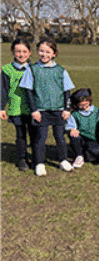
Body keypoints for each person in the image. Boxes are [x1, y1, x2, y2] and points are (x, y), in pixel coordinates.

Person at [19, 38, 75, 176]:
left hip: (58, 110)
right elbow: (28, 91)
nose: (44, 54)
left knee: (60, 137)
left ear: (54, 53)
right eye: (41, 51)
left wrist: (67, 109)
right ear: (37, 51)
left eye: (48, 52)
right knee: (40, 138)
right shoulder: (32, 69)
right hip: (41, 111)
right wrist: (34, 110)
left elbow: (67, 91)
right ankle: (39, 163)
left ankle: (63, 160)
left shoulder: (61, 70)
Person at [0, 38, 36, 171]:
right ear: (12, 52)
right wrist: (1, 107)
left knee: (34, 134)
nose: (21, 54)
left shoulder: (35, 68)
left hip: (33, 109)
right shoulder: (7, 69)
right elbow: (3, 89)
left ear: (30, 52)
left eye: (25, 51)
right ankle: (22, 159)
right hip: (16, 108)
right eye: (18, 51)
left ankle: (36, 158)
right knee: (20, 134)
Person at [66, 88, 99, 168]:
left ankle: (84, 153)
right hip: (81, 138)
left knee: (94, 155)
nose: (84, 106)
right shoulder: (75, 114)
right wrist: (72, 129)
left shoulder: (97, 111)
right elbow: (71, 125)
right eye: (81, 105)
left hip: (94, 138)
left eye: (86, 104)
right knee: (74, 135)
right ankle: (79, 156)